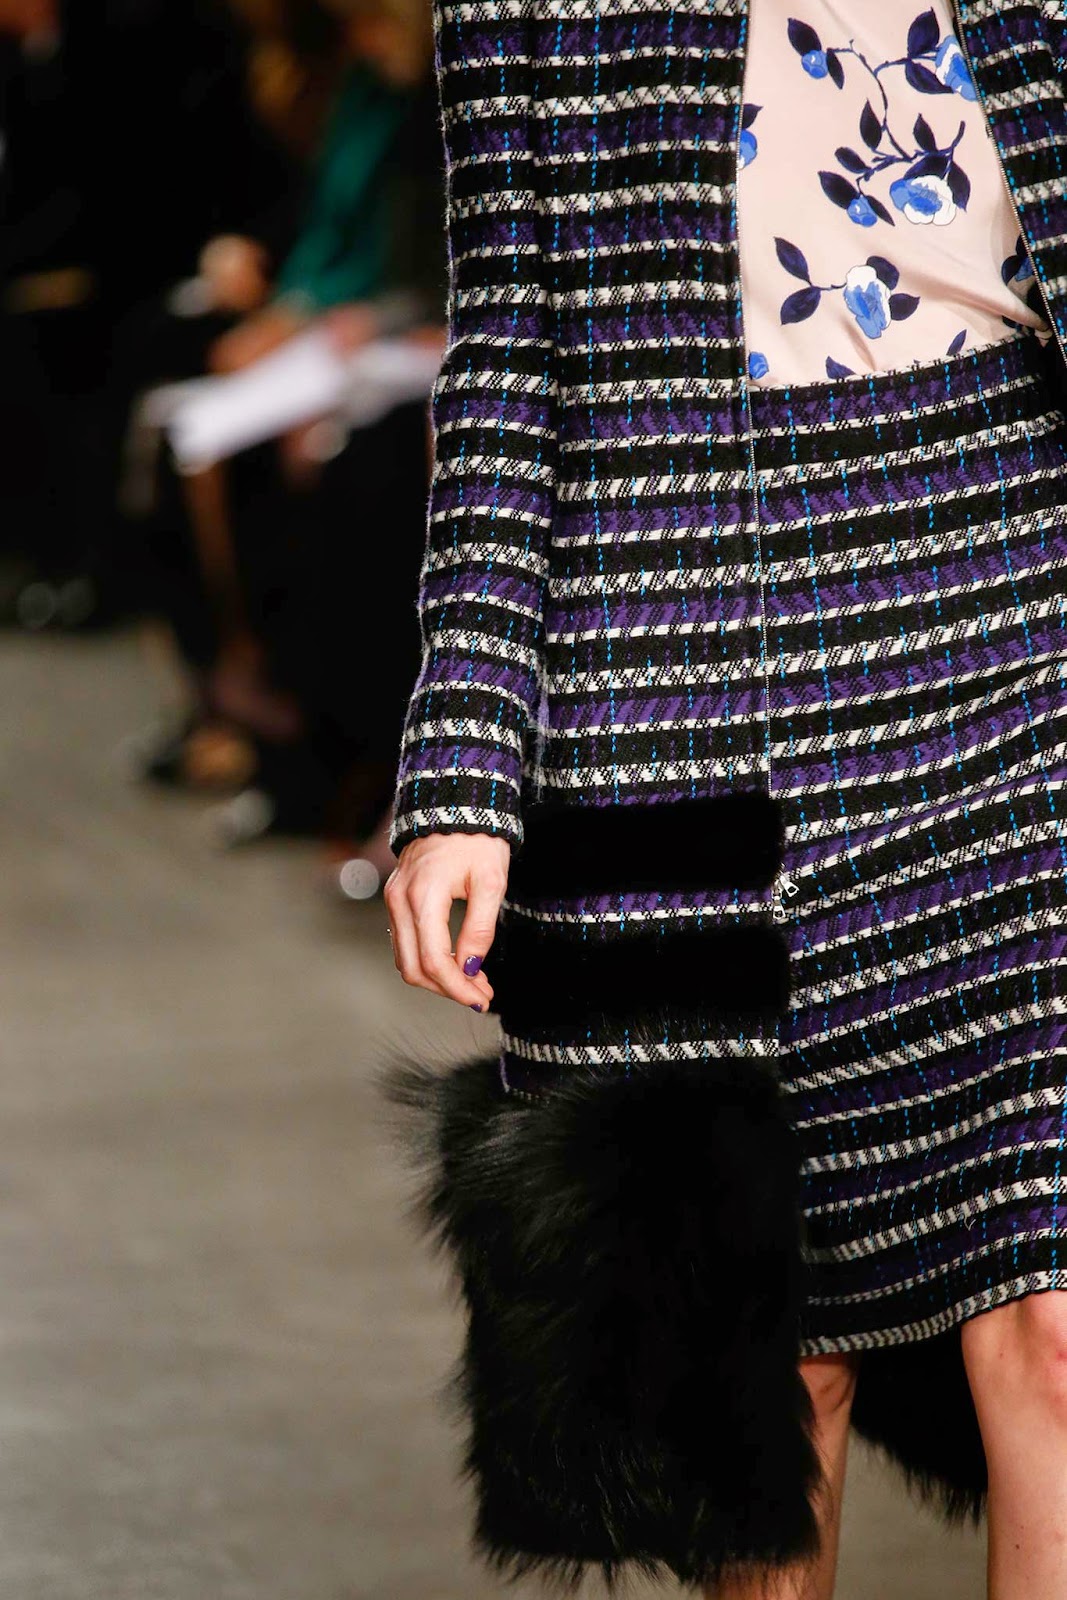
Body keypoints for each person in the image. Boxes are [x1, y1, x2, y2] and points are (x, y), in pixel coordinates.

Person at [382, 0, 1067, 1596]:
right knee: (766, 1367)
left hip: (1018, 600)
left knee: (1054, 1320)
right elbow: (508, 358)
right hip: (677, 644)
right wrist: (463, 755)